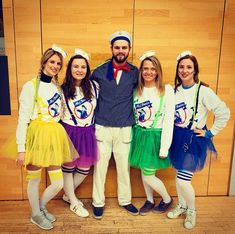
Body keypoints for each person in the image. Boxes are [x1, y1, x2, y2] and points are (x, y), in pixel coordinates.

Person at [167, 51, 230, 229]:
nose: (184, 70)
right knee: (179, 175)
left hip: (193, 140)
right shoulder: (174, 90)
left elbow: (223, 112)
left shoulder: (203, 91)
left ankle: (192, 210)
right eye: (181, 67)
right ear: (177, 69)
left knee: (182, 180)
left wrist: (210, 133)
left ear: (195, 70)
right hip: (177, 138)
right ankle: (182, 205)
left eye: (189, 67)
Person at [16, 45, 76, 230]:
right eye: (52, 62)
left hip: (54, 135)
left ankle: (40, 207)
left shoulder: (57, 87)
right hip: (36, 136)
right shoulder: (30, 86)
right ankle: (35, 214)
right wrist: (21, 148)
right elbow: (23, 119)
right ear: (44, 62)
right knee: (33, 179)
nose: (55, 66)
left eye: (59, 63)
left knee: (57, 182)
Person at [91, 30, 139, 219]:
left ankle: (125, 200)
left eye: (124, 47)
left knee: (124, 168)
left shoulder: (136, 73)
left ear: (129, 50)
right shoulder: (99, 71)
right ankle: (97, 202)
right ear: (111, 48)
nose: (120, 50)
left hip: (125, 127)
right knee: (100, 167)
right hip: (102, 127)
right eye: (117, 47)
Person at [128, 51, 174, 215]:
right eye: (145, 68)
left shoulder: (166, 90)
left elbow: (169, 121)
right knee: (144, 170)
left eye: (153, 69)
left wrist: (164, 147)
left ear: (158, 71)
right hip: (139, 135)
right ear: (141, 71)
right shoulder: (136, 90)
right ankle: (149, 200)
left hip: (156, 136)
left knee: (148, 175)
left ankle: (167, 199)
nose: (149, 72)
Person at [60, 49, 99, 218]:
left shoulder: (94, 86)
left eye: (83, 66)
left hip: (88, 132)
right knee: (68, 168)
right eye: (76, 66)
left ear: (87, 69)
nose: (79, 70)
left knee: (84, 167)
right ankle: (74, 203)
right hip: (69, 131)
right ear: (70, 69)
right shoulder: (62, 89)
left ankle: (69, 195)